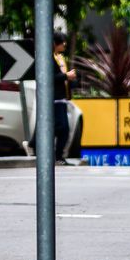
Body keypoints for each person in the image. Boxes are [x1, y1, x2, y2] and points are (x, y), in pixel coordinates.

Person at [51, 17, 77, 163]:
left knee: (59, 128)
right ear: (55, 43)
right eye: (61, 42)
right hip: (55, 98)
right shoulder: (49, 58)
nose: (65, 44)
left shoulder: (59, 58)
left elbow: (62, 76)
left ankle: (56, 155)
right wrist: (66, 76)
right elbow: (52, 77)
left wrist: (70, 79)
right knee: (62, 129)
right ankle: (57, 156)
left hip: (61, 98)